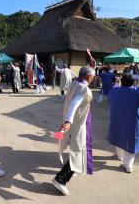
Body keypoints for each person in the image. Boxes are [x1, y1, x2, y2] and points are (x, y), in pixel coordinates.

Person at [52, 66, 95, 196]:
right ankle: (60, 179)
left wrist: (67, 120)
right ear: (89, 77)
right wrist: (69, 121)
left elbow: (74, 103)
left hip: (75, 121)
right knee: (79, 152)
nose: (93, 78)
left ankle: (69, 172)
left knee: (75, 148)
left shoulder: (74, 83)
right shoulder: (84, 89)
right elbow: (74, 104)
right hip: (78, 123)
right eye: (92, 76)